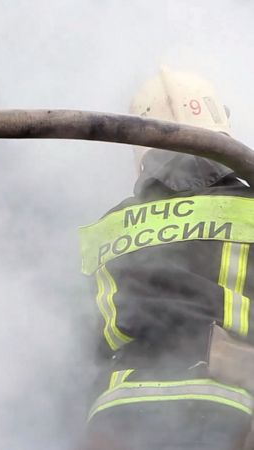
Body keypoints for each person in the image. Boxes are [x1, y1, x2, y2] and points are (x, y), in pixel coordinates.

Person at [79, 67, 254, 450]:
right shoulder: (250, 205)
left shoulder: (107, 226)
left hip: (116, 414)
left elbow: (82, 341)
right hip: (231, 403)